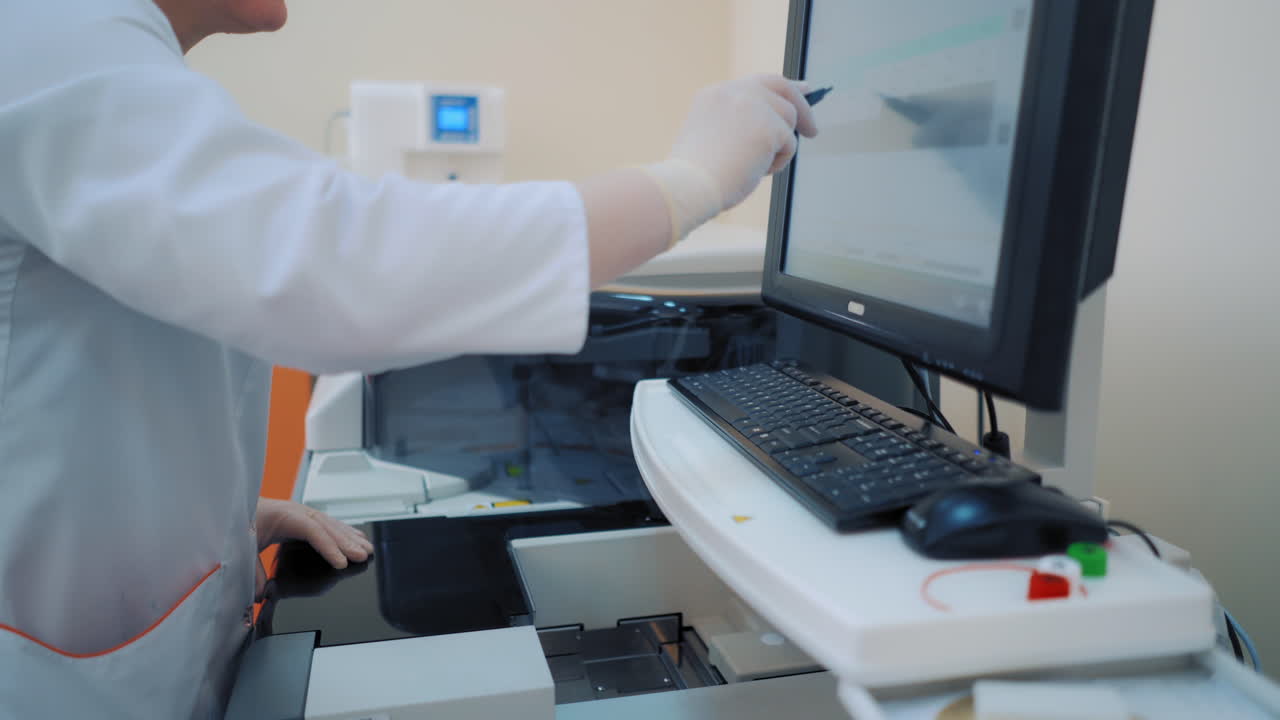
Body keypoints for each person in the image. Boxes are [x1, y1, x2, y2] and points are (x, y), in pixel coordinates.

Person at [0, 0, 818, 717]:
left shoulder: (101, 53)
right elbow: (334, 262)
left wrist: (217, 523)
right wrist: (692, 181)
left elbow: (68, 374)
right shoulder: (47, 30)